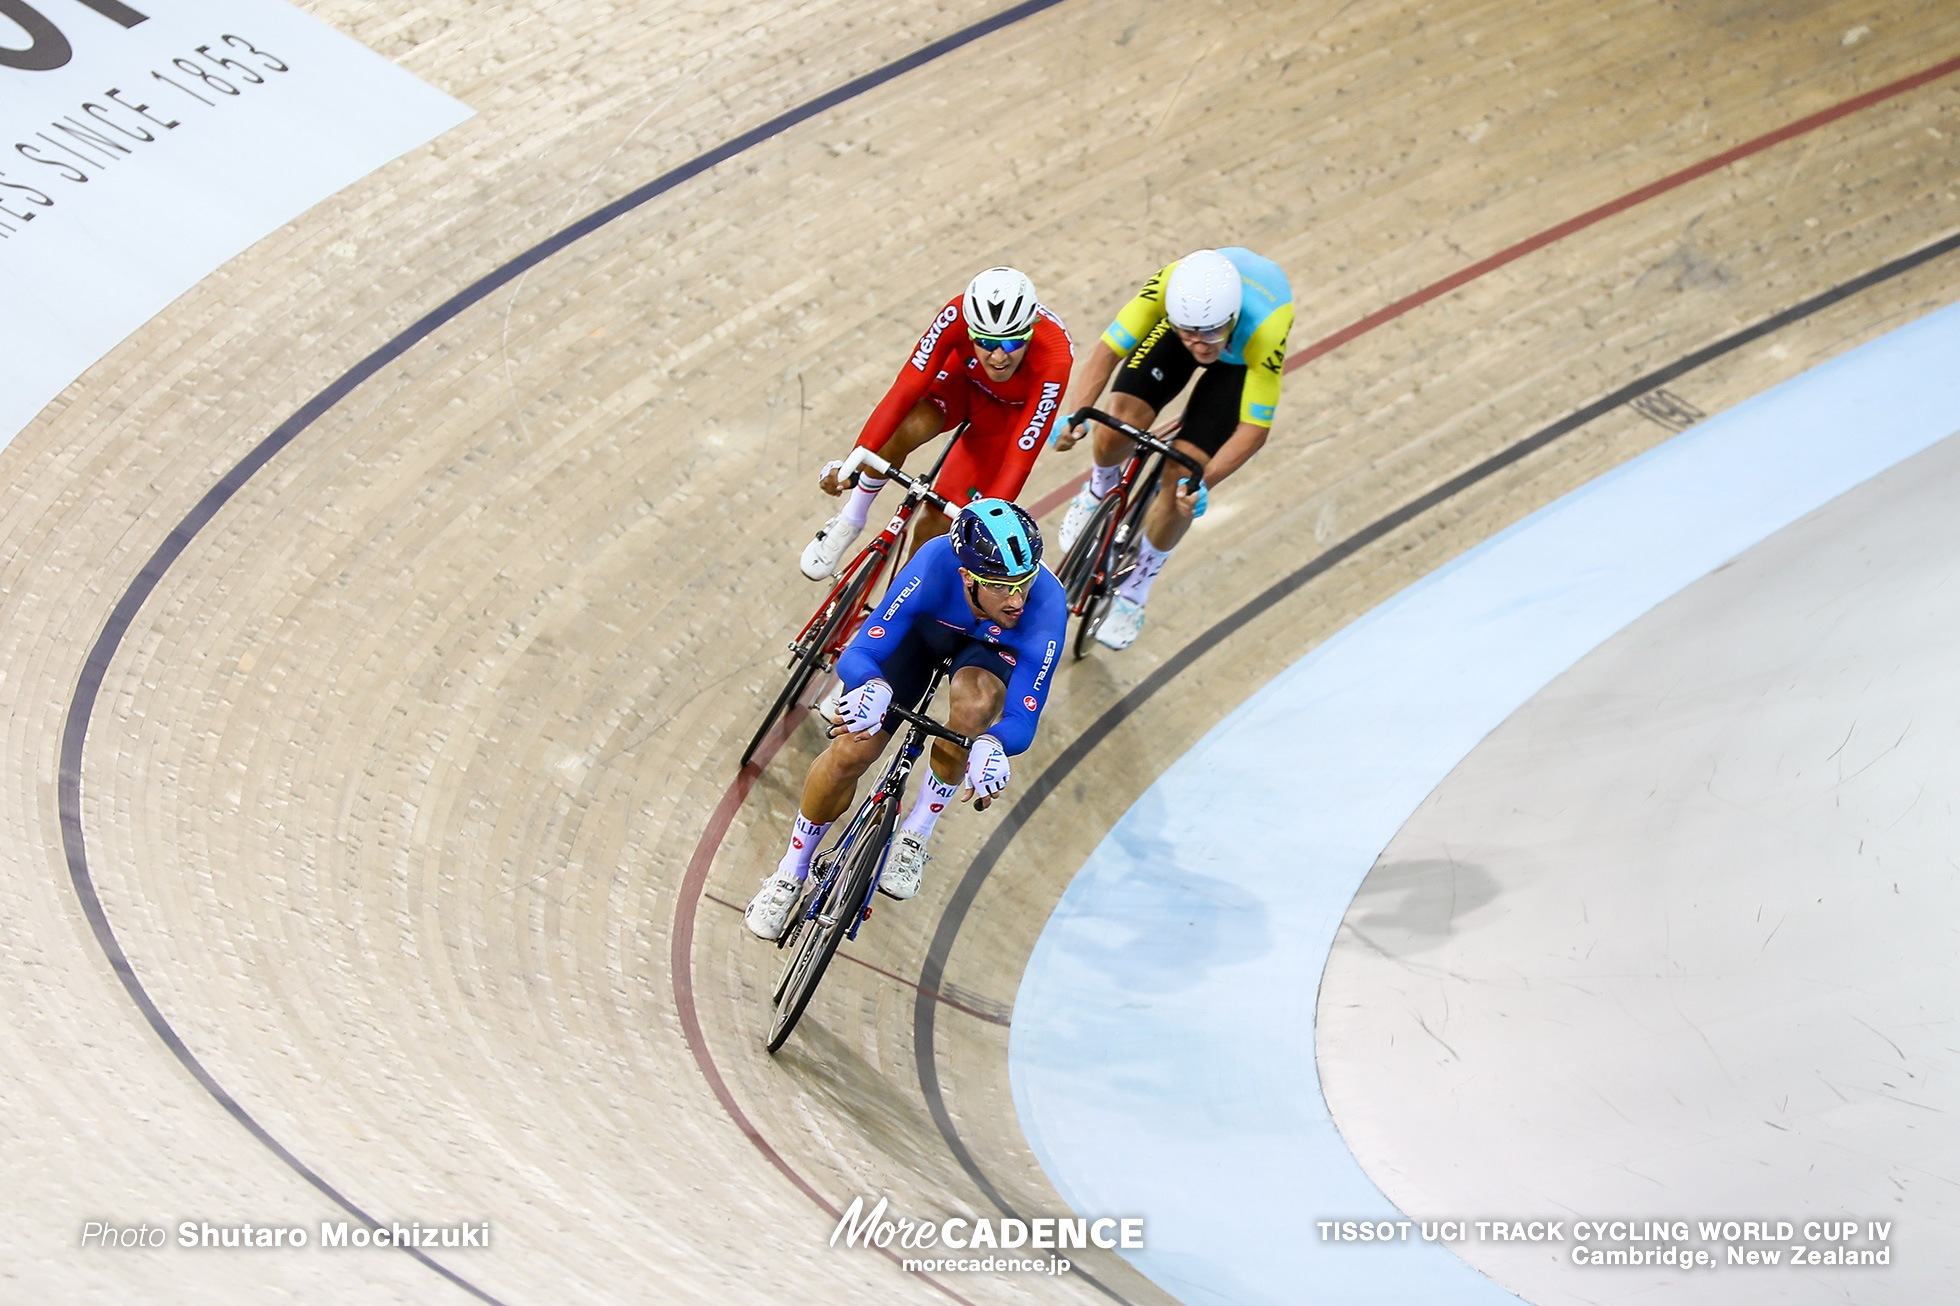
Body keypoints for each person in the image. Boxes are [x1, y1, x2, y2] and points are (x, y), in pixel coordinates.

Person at [746, 500, 1066, 939]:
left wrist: (993, 745)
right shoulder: (935, 561)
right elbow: (863, 650)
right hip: (921, 639)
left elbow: (1024, 716)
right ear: (967, 577)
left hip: (986, 657)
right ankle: (790, 872)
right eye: (1000, 585)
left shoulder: (1045, 605)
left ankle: (915, 832)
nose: (1017, 600)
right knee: (849, 751)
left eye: (1024, 582)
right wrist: (872, 687)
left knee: (974, 710)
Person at [1051, 248, 1293, 649]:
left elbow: (1254, 429)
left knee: (1183, 478)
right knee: (1116, 426)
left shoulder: (1265, 329)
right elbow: (1106, 351)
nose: (1200, 346)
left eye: (1211, 333)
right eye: (1191, 334)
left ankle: (1138, 586)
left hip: (1237, 364)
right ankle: (1098, 489)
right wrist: (1078, 415)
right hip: (1175, 333)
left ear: (1232, 318)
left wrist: (1204, 482)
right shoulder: (1167, 290)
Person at [798, 267, 1074, 580]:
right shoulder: (955, 313)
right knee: (904, 429)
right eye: (985, 342)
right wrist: (856, 458)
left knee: (935, 528)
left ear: (1030, 330)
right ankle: (851, 518)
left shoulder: (1055, 358)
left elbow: (1021, 454)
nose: (998, 357)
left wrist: (985, 518)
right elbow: (904, 390)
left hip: (1009, 417)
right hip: (961, 382)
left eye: (1012, 344)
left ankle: (897, 607)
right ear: (970, 330)